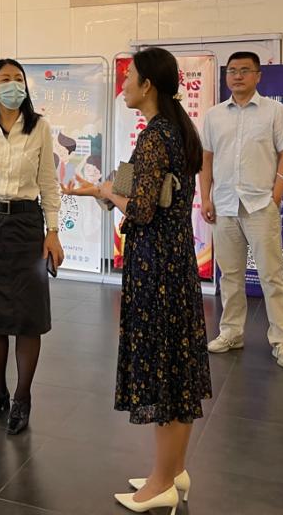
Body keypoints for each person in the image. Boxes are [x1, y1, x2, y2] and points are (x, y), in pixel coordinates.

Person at [64, 47, 212, 512]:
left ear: (148, 85)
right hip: (175, 260)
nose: (124, 85)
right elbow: (146, 192)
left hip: (156, 267)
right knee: (178, 367)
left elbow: (141, 208)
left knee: (165, 371)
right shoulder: (177, 128)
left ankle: (161, 481)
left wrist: (109, 191)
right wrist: (100, 190)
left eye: (129, 78)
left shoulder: (154, 136)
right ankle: (174, 469)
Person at [0, 58, 64, 436]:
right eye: (4, 79)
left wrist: (52, 230)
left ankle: (22, 397)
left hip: (26, 226)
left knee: (27, 314)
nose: (12, 85)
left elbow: (48, 182)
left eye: (18, 79)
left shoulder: (39, 127)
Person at [200, 51, 283, 370]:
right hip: (224, 205)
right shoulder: (214, 115)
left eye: (245, 70)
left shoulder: (274, 111)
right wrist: (205, 198)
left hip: (260, 205)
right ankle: (231, 333)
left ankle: (282, 340)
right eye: (232, 71)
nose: (238, 76)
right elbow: (206, 159)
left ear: (258, 75)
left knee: (271, 275)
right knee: (230, 275)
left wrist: (276, 195)